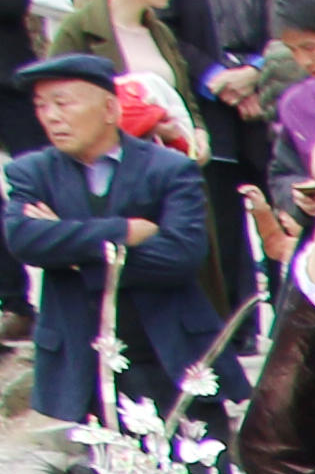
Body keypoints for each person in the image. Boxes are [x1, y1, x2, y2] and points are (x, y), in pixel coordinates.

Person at [4, 46, 209, 425]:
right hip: (82, 356)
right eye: (41, 106)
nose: (51, 117)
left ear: (110, 109)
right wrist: (125, 231)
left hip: (167, 347)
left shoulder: (169, 169)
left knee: (194, 468)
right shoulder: (31, 173)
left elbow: (182, 255)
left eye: (62, 103)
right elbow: (23, 240)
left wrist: (71, 251)